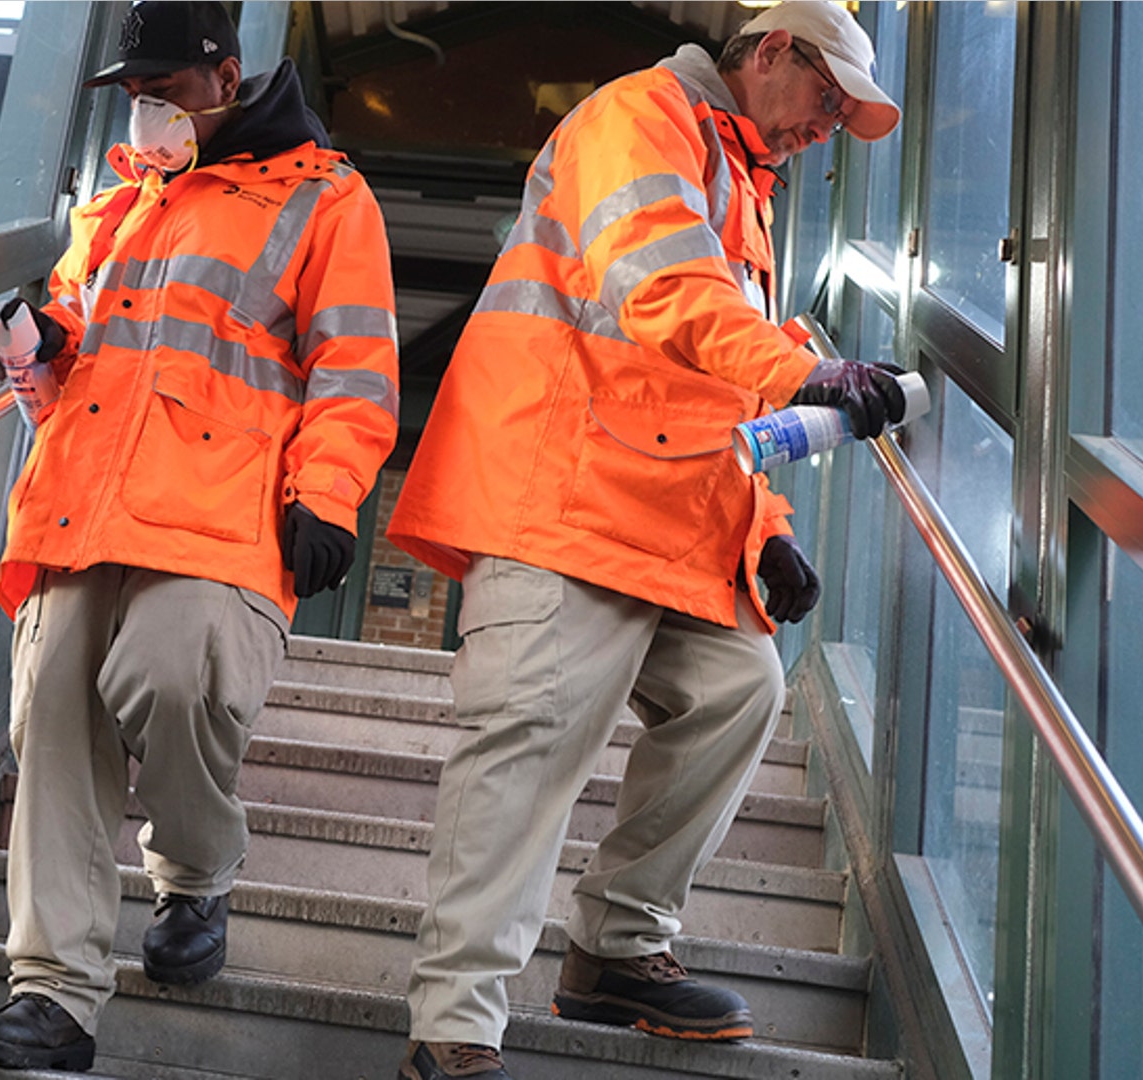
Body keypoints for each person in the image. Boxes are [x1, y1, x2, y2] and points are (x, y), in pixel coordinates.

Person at [382, 3, 904, 1076]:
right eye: (826, 99)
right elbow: (663, 290)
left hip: (662, 512)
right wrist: (804, 369)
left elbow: (707, 396)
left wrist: (764, 530)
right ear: (770, 53)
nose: (827, 128)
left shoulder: (739, 185)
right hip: (560, 494)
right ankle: (453, 1034)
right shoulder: (643, 117)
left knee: (739, 690)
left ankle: (617, 948)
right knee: (528, 742)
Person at [0, 1, 399, 1071]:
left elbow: (353, 372)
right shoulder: (116, 211)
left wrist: (329, 498)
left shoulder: (327, 199)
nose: (151, 110)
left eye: (166, 90)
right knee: (53, 724)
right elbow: (76, 331)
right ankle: (54, 997)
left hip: (224, 514)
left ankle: (197, 873)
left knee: (172, 678)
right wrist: (43, 339)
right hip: (82, 503)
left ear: (227, 77)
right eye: (137, 94)